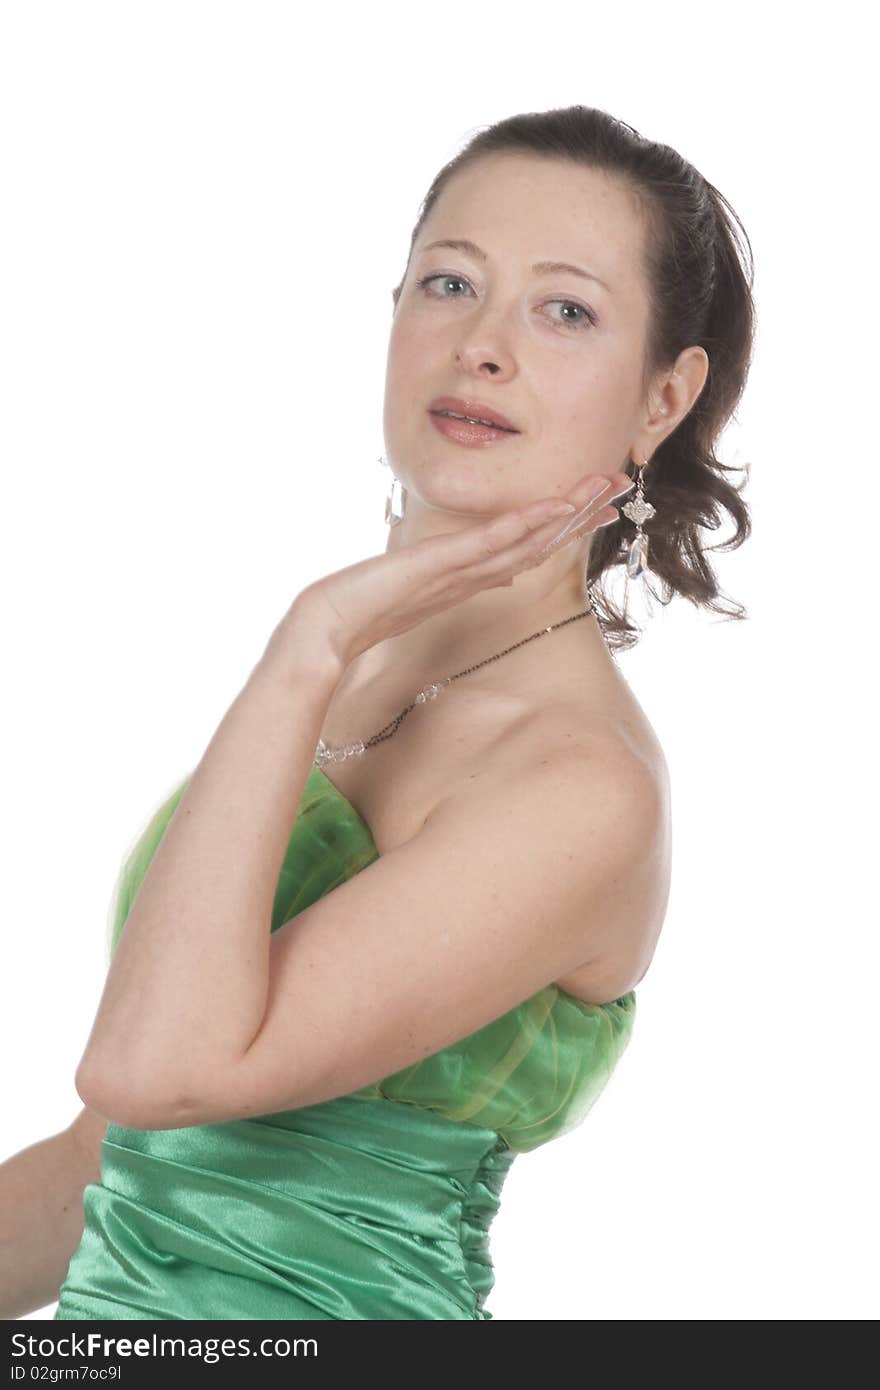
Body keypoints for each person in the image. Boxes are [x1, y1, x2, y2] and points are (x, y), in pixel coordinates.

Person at [4, 102, 754, 1322]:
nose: (483, 347)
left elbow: (159, 1071)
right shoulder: (347, 681)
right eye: (449, 283)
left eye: (564, 310)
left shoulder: (577, 780)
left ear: (661, 399)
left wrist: (306, 641)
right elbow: (105, 1163)